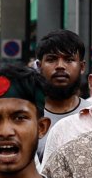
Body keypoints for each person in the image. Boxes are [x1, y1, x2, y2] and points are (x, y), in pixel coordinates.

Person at [33, 29, 87, 157]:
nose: (60, 66)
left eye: (69, 60)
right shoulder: (25, 115)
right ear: (39, 66)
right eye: (51, 59)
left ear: (82, 67)